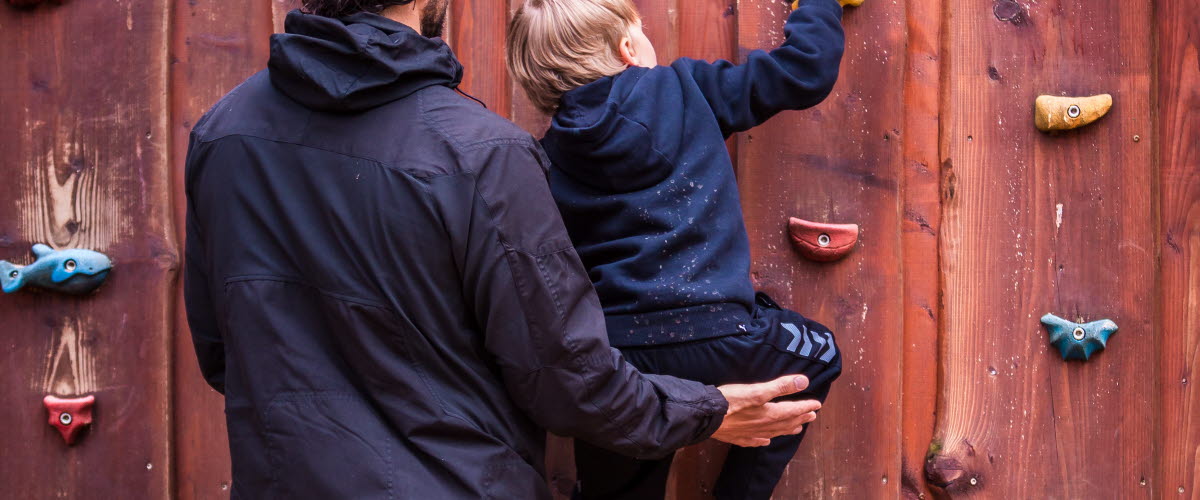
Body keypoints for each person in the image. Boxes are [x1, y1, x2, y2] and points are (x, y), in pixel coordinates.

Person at [182, 0, 824, 498]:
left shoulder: (221, 135)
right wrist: (708, 412)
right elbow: (565, 378)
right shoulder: (482, 153)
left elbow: (222, 354)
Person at [506, 0, 847, 498]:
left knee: (617, 480)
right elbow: (805, 71)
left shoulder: (547, 157)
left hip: (620, 366)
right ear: (628, 48)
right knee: (819, 356)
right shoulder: (684, 91)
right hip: (719, 335)